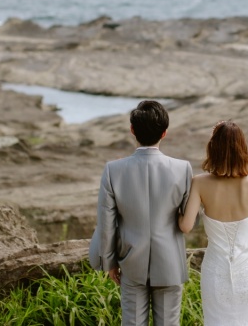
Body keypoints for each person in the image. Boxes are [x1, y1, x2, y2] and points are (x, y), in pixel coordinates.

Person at [89, 100, 193, 326]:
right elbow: (186, 218)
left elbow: (106, 222)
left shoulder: (112, 170)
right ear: (164, 133)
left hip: (130, 262)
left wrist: (109, 263)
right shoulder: (183, 169)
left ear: (132, 130)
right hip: (170, 263)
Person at [178, 120, 248, 326]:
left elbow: (186, 226)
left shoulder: (199, 182)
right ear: (242, 148)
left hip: (215, 271)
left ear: (213, 148)